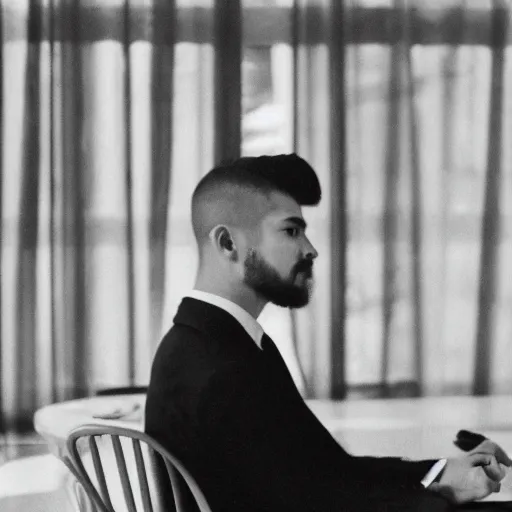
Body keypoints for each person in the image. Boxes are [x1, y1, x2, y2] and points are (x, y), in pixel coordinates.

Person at [145, 154, 511, 512]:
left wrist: (441, 472)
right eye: (291, 231)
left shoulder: (218, 343)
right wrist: (440, 496)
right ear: (228, 244)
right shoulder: (218, 366)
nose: (311, 249)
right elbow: (309, 499)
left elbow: (324, 471)